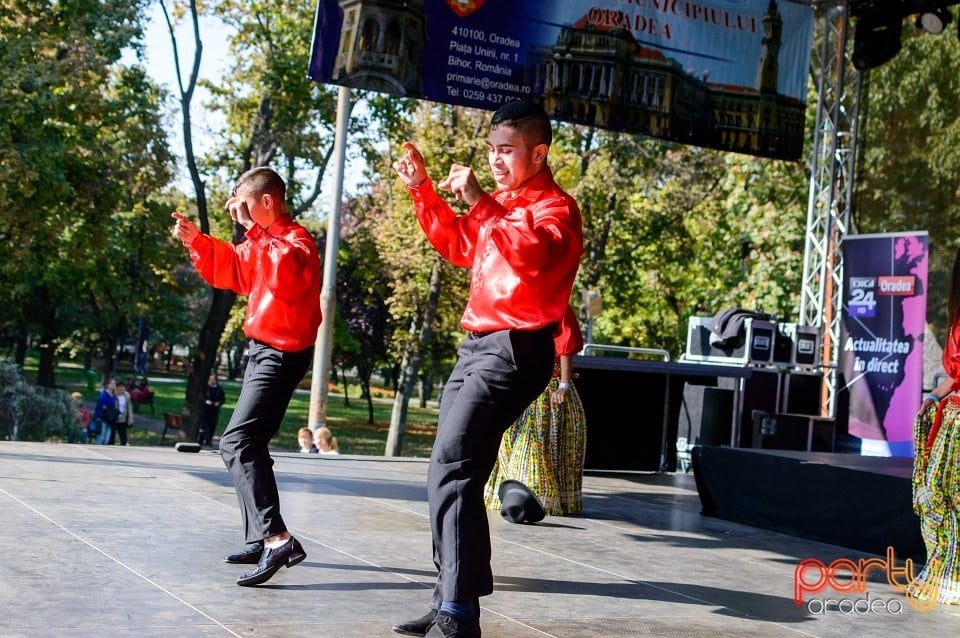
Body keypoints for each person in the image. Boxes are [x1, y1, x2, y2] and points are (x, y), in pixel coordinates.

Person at [391, 101, 582, 638]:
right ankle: (449, 595)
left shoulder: (557, 209)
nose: (495, 161)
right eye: (492, 151)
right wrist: (423, 190)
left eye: (507, 151)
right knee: (446, 470)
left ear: (538, 152)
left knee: (455, 464)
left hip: (517, 348)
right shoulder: (498, 203)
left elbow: (535, 258)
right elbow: (456, 244)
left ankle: (460, 609)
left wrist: (480, 202)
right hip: (478, 345)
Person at [171, 166, 322, 587]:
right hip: (264, 350)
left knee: (237, 442)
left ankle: (276, 537)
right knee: (248, 442)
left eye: (243, 201)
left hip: (282, 353)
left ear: (267, 202)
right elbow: (236, 270)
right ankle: (260, 537)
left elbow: (284, 270)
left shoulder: (298, 242)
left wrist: (250, 228)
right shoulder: (266, 240)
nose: (237, 209)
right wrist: (198, 241)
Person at [483, 306, 586, 517]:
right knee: (509, 440)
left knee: (534, 444)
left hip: (547, 387)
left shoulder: (558, 308)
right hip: (521, 384)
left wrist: (563, 385)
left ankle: (530, 498)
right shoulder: (518, 305)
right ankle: (512, 496)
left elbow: (565, 346)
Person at [909, 247, 960, 605]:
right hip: (953, 417)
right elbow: (955, 375)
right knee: (934, 494)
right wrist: (933, 396)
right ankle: (946, 574)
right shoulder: (957, 320)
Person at [199, 374, 226, 447]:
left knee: (212, 426)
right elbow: (202, 397)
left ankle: (208, 441)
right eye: (210, 379)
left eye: (213, 379)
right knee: (204, 426)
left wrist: (219, 403)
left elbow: (223, 399)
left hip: (214, 411)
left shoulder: (219, 389)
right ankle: (201, 440)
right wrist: (206, 401)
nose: (211, 381)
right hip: (206, 410)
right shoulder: (206, 388)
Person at [93, 378, 118, 445]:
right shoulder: (103, 394)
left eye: (114, 384)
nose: (113, 385)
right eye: (111, 383)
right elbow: (102, 406)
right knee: (101, 436)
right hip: (102, 417)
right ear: (107, 385)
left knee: (107, 438)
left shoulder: (113, 395)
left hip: (110, 418)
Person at [111, 381, 134, 446]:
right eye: (120, 388)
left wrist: (130, 418)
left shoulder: (126, 395)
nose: (122, 389)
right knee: (112, 436)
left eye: (123, 388)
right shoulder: (113, 395)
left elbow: (129, 407)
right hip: (113, 418)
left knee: (123, 436)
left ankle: (123, 447)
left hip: (122, 419)